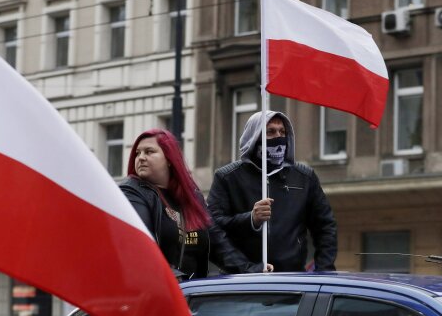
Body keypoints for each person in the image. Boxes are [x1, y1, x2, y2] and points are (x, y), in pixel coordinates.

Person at [120, 128, 271, 279]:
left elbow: (218, 244)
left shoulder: (192, 197)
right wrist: (177, 281)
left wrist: (252, 271)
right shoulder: (132, 192)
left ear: (170, 159)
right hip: (161, 293)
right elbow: (141, 248)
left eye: (149, 152)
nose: (141, 157)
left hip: (194, 296)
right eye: (138, 153)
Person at [207, 111, 337, 272]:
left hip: (291, 280)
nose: (278, 137)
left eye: (282, 132)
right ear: (254, 137)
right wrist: (251, 220)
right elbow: (213, 230)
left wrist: (324, 272)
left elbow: (325, 228)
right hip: (241, 282)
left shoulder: (304, 177)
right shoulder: (227, 177)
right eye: (270, 132)